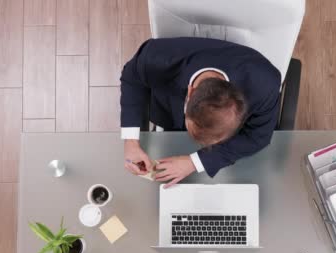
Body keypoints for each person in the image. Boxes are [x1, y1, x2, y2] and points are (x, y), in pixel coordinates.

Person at [120, 37, 281, 187]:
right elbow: (131, 77)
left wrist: (195, 162)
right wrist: (131, 142)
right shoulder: (157, 57)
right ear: (190, 93)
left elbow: (257, 137)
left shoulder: (265, 85)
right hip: (168, 115)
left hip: (224, 154)